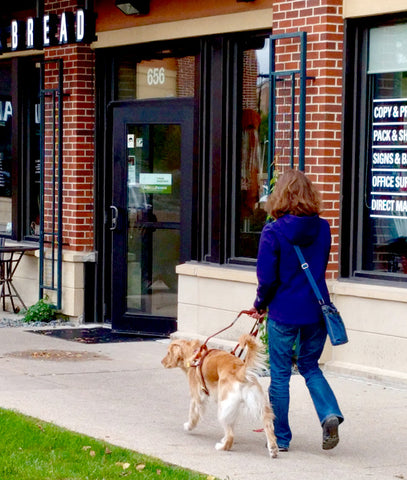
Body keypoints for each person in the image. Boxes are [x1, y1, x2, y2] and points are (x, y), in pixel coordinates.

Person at [249, 168, 343, 452]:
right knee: (310, 366)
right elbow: (319, 267)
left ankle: (281, 437)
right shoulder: (324, 228)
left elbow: (267, 278)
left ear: (280, 196)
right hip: (316, 311)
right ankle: (328, 414)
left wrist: (259, 305)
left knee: (279, 374)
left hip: (283, 312)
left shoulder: (272, 231)